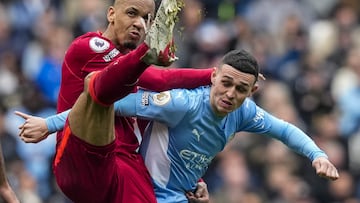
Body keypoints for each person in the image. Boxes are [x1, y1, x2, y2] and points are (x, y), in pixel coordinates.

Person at [16, 49, 340, 203]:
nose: (230, 94)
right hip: (142, 194)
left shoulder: (244, 113)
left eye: (241, 89)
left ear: (251, 91)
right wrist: (50, 123)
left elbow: (284, 129)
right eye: (225, 83)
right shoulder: (180, 103)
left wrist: (317, 155)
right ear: (213, 76)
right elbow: (106, 102)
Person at [16, 0, 212, 202]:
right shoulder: (88, 46)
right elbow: (159, 79)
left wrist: (194, 179)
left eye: (146, 19)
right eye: (132, 13)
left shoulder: (136, 67)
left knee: (169, 111)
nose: (139, 23)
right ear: (111, 14)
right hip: (82, 159)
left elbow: (160, 132)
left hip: (126, 164)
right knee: (98, 86)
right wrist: (216, 74)